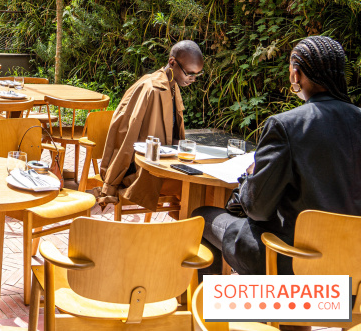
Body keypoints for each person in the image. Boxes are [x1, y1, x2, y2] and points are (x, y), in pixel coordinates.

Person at [193, 35, 361, 277]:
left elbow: (258, 208)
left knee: (202, 218)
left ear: (296, 74)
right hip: (351, 264)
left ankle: (214, 312)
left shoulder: (286, 126)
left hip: (290, 260)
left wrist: (249, 178)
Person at [98, 40, 204, 211]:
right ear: (172, 62)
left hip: (162, 164)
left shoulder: (171, 85)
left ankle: (183, 230)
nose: (192, 79)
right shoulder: (152, 88)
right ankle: (186, 233)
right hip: (143, 172)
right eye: (189, 73)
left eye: (196, 75)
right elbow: (126, 137)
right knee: (199, 189)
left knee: (200, 184)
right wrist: (110, 184)